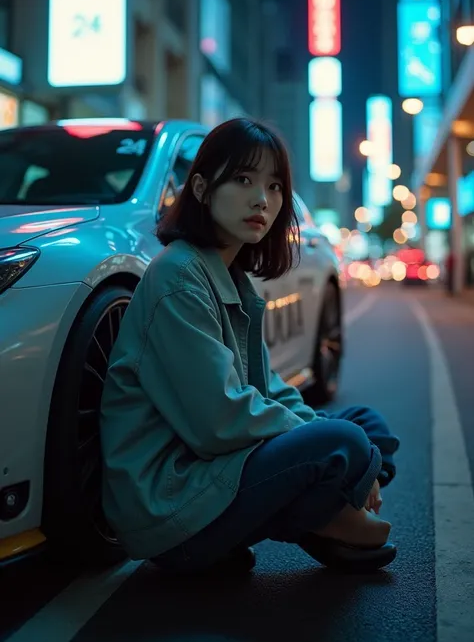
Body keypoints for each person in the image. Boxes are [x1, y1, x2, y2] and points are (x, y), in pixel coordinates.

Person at [100, 118, 400, 575]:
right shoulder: (178, 278)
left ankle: (328, 521)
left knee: (365, 425)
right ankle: (330, 519)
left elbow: (270, 389)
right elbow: (218, 421)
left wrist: (347, 446)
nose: (263, 199)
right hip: (172, 507)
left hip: (214, 473)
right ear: (201, 188)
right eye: (243, 179)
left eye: (275, 186)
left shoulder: (232, 279)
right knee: (342, 441)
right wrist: (343, 449)